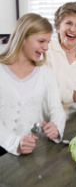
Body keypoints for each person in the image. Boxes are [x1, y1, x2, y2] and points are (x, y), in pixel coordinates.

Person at [0, 13, 66, 156]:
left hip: (33, 152)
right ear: (23, 38)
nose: (46, 48)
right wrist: (15, 143)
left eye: (48, 42)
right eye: (41, 41)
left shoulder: (45, 73)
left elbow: (56, 109)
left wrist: (57, 127)